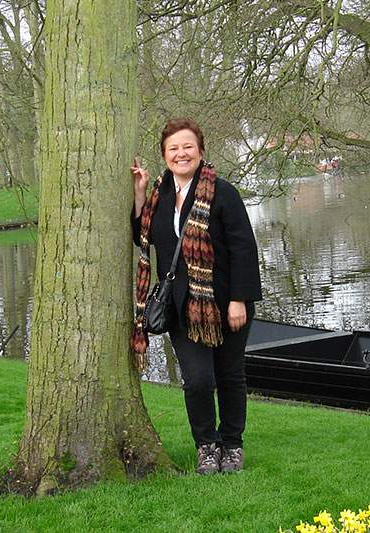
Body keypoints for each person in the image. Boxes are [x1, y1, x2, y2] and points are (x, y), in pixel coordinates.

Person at [130, 118, 262, 475]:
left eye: (187, 146)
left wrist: (238, 299)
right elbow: (142, 237)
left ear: (201, 151)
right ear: (165, 155)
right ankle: (206, 446)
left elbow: (243, 249)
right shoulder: (159, 195)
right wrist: (140, 194)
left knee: (230, 376)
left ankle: (232, 445)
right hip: (181, 307)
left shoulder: (222, 192)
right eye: (173, 148)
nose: (181, 153)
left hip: (226, 303)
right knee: (199, 380)